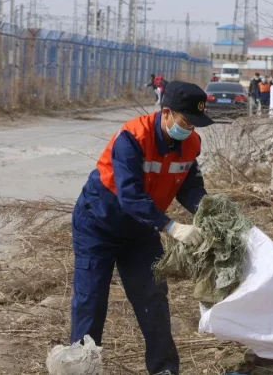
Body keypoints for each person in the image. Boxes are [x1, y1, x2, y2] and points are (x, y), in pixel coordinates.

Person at [70, 81, 214, 375]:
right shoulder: (132, 137)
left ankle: (164, 370)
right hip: (98, 225)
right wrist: (172, 227)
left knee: (153, 297)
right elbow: (130, 196)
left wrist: (210, 213)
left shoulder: (190, 144)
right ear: (166, 113)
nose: (189, 130)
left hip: (141, 232)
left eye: (195, 124)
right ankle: (82, 370)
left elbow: (190, 188)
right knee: (91, 302)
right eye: (186, 122)